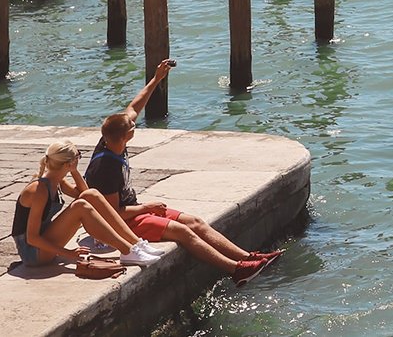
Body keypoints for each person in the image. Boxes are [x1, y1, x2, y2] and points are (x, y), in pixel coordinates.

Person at [86, 59, 280, 286]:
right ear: (125, 137)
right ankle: (235, 270)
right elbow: (115, 214)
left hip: (133, 210)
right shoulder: (105, 168)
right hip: (122, 223)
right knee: (181, 231)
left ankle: (247, 257)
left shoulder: (111, 137)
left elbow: (134, 107)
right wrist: (147, 208)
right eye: (132, 128)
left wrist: (156, 79)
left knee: (195, 222)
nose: (134, 125)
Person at [13, 141, 162, 268]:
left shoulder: (57, 179)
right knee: (80, 207)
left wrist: (74, 171)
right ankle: (127, 251)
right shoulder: (38, 190)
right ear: (69, 162)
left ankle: (136, 244)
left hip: (44, 240)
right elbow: (32, 238)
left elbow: (85, 193)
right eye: (78, 156)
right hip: (33, 252)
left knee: (92, 195)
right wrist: (67, 253)